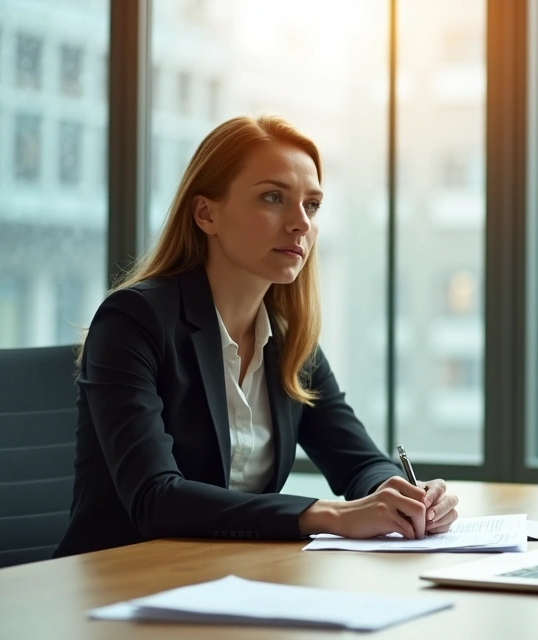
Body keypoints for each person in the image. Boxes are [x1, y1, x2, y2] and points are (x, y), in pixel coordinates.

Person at [55, 116, 458, 558]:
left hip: (231, 579)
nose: (300, 223)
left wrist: (400, 495)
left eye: (312, 205)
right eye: (273, 198)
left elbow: (358, 461)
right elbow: (155, 499)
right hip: (119, 584)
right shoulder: (134, 320)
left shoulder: (287, 339)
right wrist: (328, 514)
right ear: (206, 213)